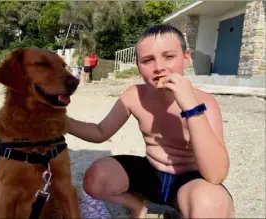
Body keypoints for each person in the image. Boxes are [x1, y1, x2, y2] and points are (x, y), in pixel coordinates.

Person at [68, 24, 234, 218]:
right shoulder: (134, 96)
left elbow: (216, 175)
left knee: (212, 205)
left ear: (186, 58)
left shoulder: (204, 102)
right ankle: (138, 205)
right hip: (152, 173)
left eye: (169, 56)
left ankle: (182, 209)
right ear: (138, 67)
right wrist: (61, 122)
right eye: (148, 60)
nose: (159, 68)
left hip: (190, 181)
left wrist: (191, 108)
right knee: (96, 178)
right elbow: (100, 132)